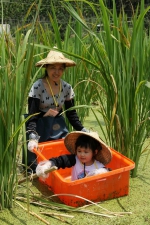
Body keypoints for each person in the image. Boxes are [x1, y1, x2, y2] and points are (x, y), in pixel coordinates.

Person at [24, 48, 88, 173]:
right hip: (39, 125)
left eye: (60, 69)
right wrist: (32, 136)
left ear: (64, 70)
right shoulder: (38, 86)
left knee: (61, 153)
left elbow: (71, 114)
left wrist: (83, 130)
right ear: (46, 68)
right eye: (53, 68)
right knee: (35, 161)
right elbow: (32, 114)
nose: (56, 72)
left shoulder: (67, 88)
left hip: (57, 125)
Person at [35, 131, 112, 181]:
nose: (82, 154)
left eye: (86, 152)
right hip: (74, 191)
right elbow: (60, 161)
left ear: (95, 152)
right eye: (79, 151)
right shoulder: (75, 159)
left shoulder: (99, 167)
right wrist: (48, 164)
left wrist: (103, 172)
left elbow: (110, 174)